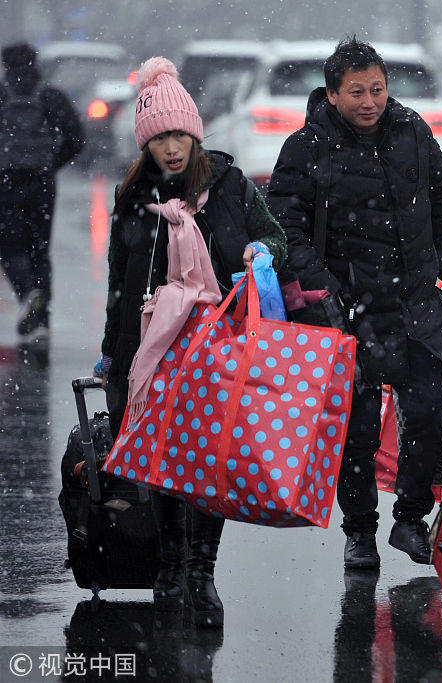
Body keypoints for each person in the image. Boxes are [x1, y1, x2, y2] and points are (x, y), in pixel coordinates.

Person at [93, 57, 286, 626]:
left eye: (179, 135)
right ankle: (169, 567)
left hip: (216, 344)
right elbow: (118, 282)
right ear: (146, 144)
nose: (172, 148)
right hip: (151, 347)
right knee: (162, 460)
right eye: (159, 139)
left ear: (196, 135)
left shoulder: (230, 187)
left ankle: (202, 573)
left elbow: (273, 235)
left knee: (207, 462)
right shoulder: (134, 197)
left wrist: (262, 252)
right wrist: (112, 351)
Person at [267, 39, 442, 570]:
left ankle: (410, 518)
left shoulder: (412, 130)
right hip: (348, 307)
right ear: (332, 94)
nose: (369, 101)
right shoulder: (306, 146)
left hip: (415, 300)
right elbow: (284, 226)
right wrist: (321, 285)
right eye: (356, 92)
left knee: (428, 414)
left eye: (377, 89)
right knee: (355, 433)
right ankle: (359, 533)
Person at [0, 42, 84, 343]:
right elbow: (76, 139)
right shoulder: (50, 96)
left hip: (6, 182)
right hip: (42, 184)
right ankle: (42, 320)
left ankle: (27, 295)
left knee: (9, 247)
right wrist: (50, 164)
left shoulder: (2, 95)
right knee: (39, 250)